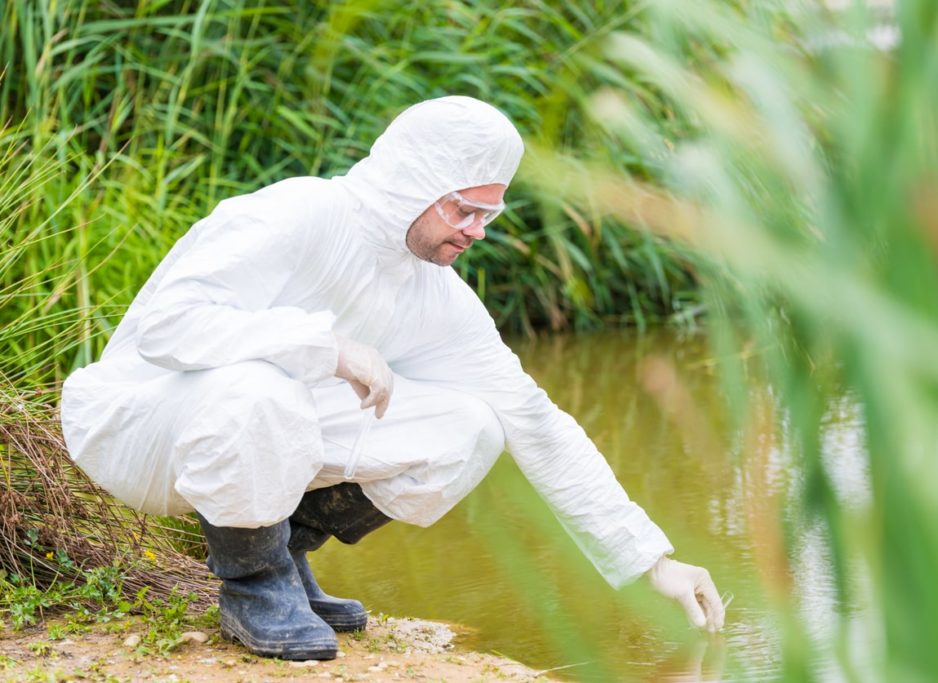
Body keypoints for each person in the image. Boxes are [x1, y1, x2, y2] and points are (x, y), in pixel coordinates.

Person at [60, 96, 725, 661]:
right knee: (262, 384)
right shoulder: (300, 213)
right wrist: (325, 348)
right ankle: (253, 581)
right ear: (416, 180)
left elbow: (537, 423)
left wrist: (653, 563)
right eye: (465, 210)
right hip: (137, 422)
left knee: (472, 426)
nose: (477, 232)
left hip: (246, 428)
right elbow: (167, 326)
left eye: (489, 216)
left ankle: (285, 551)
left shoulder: (434, 291)